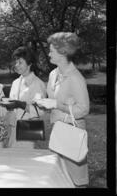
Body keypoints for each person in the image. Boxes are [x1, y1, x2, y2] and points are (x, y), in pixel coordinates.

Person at [34, 32, 90, 188]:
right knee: (59, 176)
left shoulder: (75, 78)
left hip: (72, 132)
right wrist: (41, 99)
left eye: (51, 50)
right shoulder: (53, 74)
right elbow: (54, 98)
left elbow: (84, 109)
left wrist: (56, 105)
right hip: (58, 130)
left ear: (62, 53)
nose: (49, 53)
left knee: (75, 178)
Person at [6, 46, 47, 148]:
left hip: (28, 130)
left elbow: (40, 111)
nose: (16, 65)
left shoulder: (37, 84)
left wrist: (21, 104)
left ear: (29, 63)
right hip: (12, 129)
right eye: (15, 62)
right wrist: (9, 106)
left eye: (20, 62)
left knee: (25, 160)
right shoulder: (15, 82)